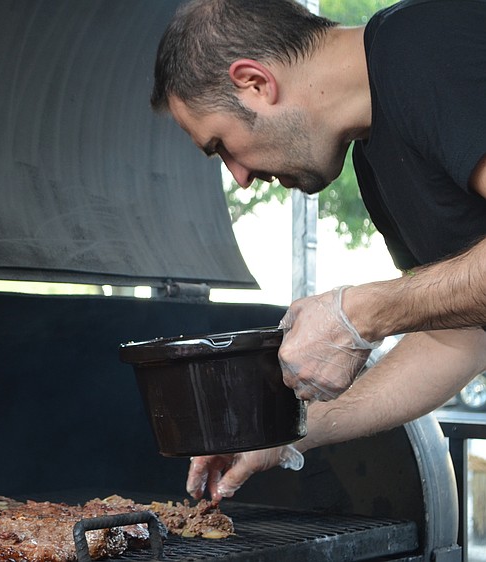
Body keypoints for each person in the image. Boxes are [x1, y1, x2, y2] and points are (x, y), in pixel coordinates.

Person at [150, 0, 486, 501]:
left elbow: (400, 315)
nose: (239, 179)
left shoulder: (425, 46)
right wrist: (290, 430)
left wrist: (364, 311)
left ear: (255, 83)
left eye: (220, 145)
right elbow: (460, 338)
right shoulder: (377, 164)